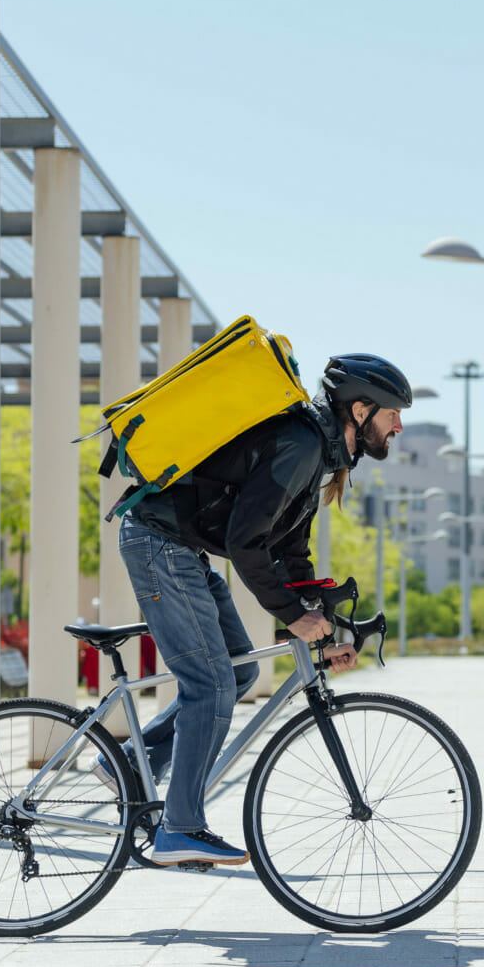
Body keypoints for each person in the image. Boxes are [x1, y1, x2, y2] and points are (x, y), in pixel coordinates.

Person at [108, 353, 413, 866]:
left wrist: (324, 632)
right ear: (360, 411)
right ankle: (179, 829)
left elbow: (291, 552)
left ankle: (125, 766)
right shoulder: (302, 444)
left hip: (178, 548)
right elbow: (245, 541)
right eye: (393, 414)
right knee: (211, 685)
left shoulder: (321, 453)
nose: (399, 426)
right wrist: (293, 616)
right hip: (159, 544)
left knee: (239, 672)